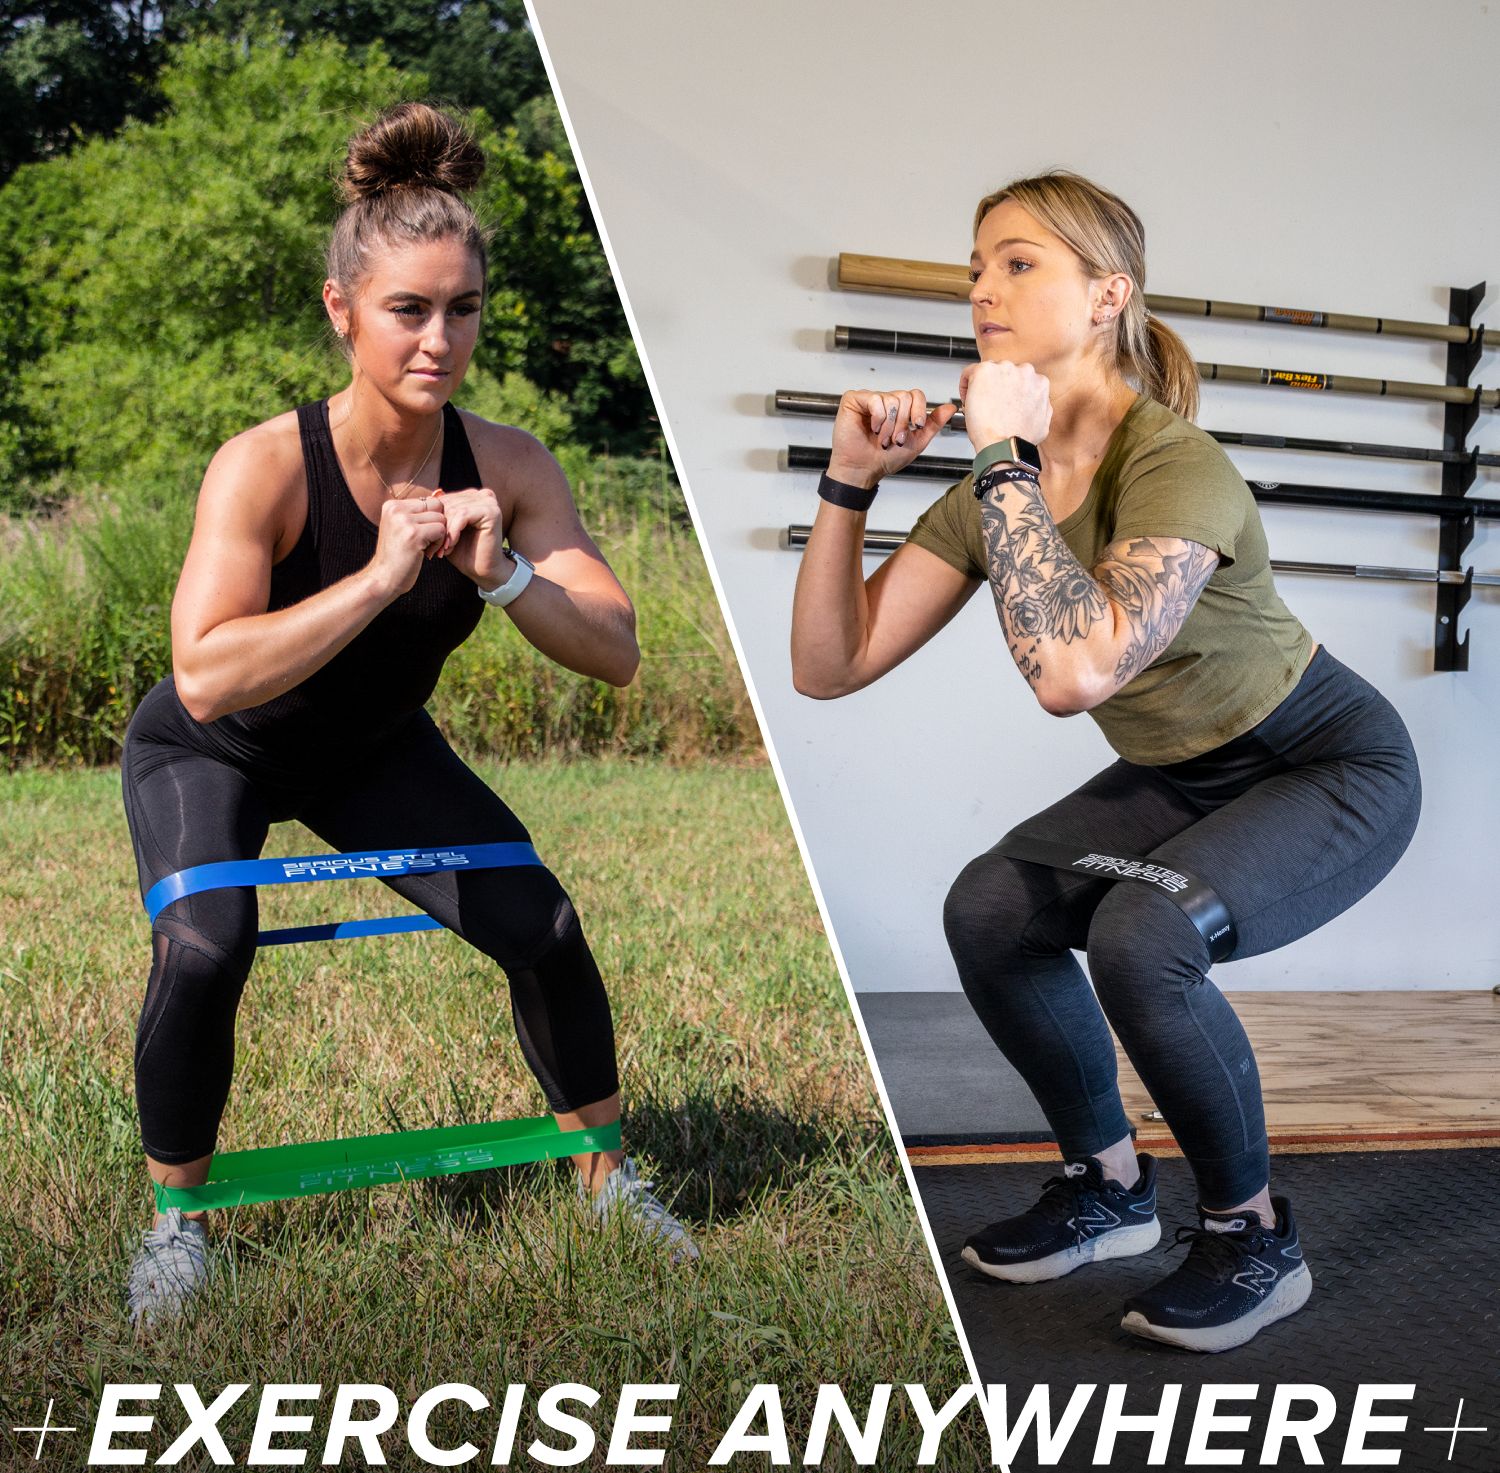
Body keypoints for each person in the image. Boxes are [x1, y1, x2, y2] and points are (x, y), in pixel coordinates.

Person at [790, 171, 1419, 1353]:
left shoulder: (1172, 465)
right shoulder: (1001, 482)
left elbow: (1076, 674)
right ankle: (1112, 1188)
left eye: (1020, 263)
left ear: (1106, 294)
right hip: (1183, 770)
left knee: (1146, 940)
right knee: (991, 908)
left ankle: (1253, 1236)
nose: (983, 288)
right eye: (977, 265)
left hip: (1328, 765)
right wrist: (851, 486)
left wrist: (1003, 462)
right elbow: (831, 664)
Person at [121, 102, 695, 1327]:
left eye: (463, 309)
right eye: (408, 310)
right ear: (343, 312)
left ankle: (605, 1178)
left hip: (369, 751)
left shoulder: (514, 466)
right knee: (208, 945)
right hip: (214, 748)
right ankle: (177, 1225)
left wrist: (507, 578)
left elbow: (620, 653)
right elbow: (208, 674)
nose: (440, 339)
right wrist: (381, 579)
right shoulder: (266, 466)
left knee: (542, 923)